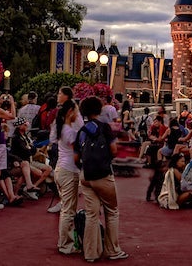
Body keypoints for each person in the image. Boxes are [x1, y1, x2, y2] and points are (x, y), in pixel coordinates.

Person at [76, 96, 128, 261]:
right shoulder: (104, 128)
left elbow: (76, 158)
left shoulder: (81, 131)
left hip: (86, 175)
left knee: (91, 214)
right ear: (99, 110)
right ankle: (112, 250)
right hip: (102, 174)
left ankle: (90, 252)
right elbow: (113, 150)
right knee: (111, 211)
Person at [52, 99, 81, 254]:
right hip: (68, 170)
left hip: (62, 169)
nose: (78, 114)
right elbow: (77, 149)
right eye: (76, 111)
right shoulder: (69, 131)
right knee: (68, 210)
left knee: (67, 208)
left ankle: (65, 242)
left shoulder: (63, 128)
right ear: (70, 112)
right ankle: (65, 244)